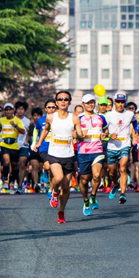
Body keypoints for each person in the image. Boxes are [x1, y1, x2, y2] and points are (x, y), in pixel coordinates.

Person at [35, 91, 84, 223]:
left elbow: (81, 136)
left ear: (69, 102)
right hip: (54, 154)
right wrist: (38, 143)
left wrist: (77, 136)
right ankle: (55, 191)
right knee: (58, 177)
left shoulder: (74, 118)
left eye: (66, 99)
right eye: (60, 99)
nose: (63, 101)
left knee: (66, 187)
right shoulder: (51, 117)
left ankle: (61, 212)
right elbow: (45, 129)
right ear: (56, 102)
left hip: (68, 155)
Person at [77, 94, 108, 216]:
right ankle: (86, 201)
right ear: (83, 104)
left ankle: (93, 196)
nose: (90, 104)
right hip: (83, 152)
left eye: (92, 102)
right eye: (87, 102)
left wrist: (104, 134)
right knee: (84, 180)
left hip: (97, 150)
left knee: (96, 175)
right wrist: (80, 136)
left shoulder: (101, 117)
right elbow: (74, 134)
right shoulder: (78, 118)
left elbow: (106, 130)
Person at [105, 93, 139, 204]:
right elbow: (103, 130)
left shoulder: (129, 114)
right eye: (118, 102)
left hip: (125, 144)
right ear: (114, 102)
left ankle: (123, 194)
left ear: (125, 102)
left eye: (122, 102)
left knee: (123, 167)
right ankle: (115, 184)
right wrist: (110, 135)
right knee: (112, 172)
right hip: (112, 146)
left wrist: (136, 133)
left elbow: (135, 123)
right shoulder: (108, 115)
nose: (120, 104)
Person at [0, 103, 26, 193]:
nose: (8, 111)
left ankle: (13, 181)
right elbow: (0, 127)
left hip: (14, 145)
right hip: (4, 144)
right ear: (4, 111)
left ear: (13, 110)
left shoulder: (17, 120)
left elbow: (23, 131)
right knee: (6, 161)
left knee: (15, 166)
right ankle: (5, 180)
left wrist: (15, 125)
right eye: (6, 110)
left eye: (10, 109)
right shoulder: (2, 120)